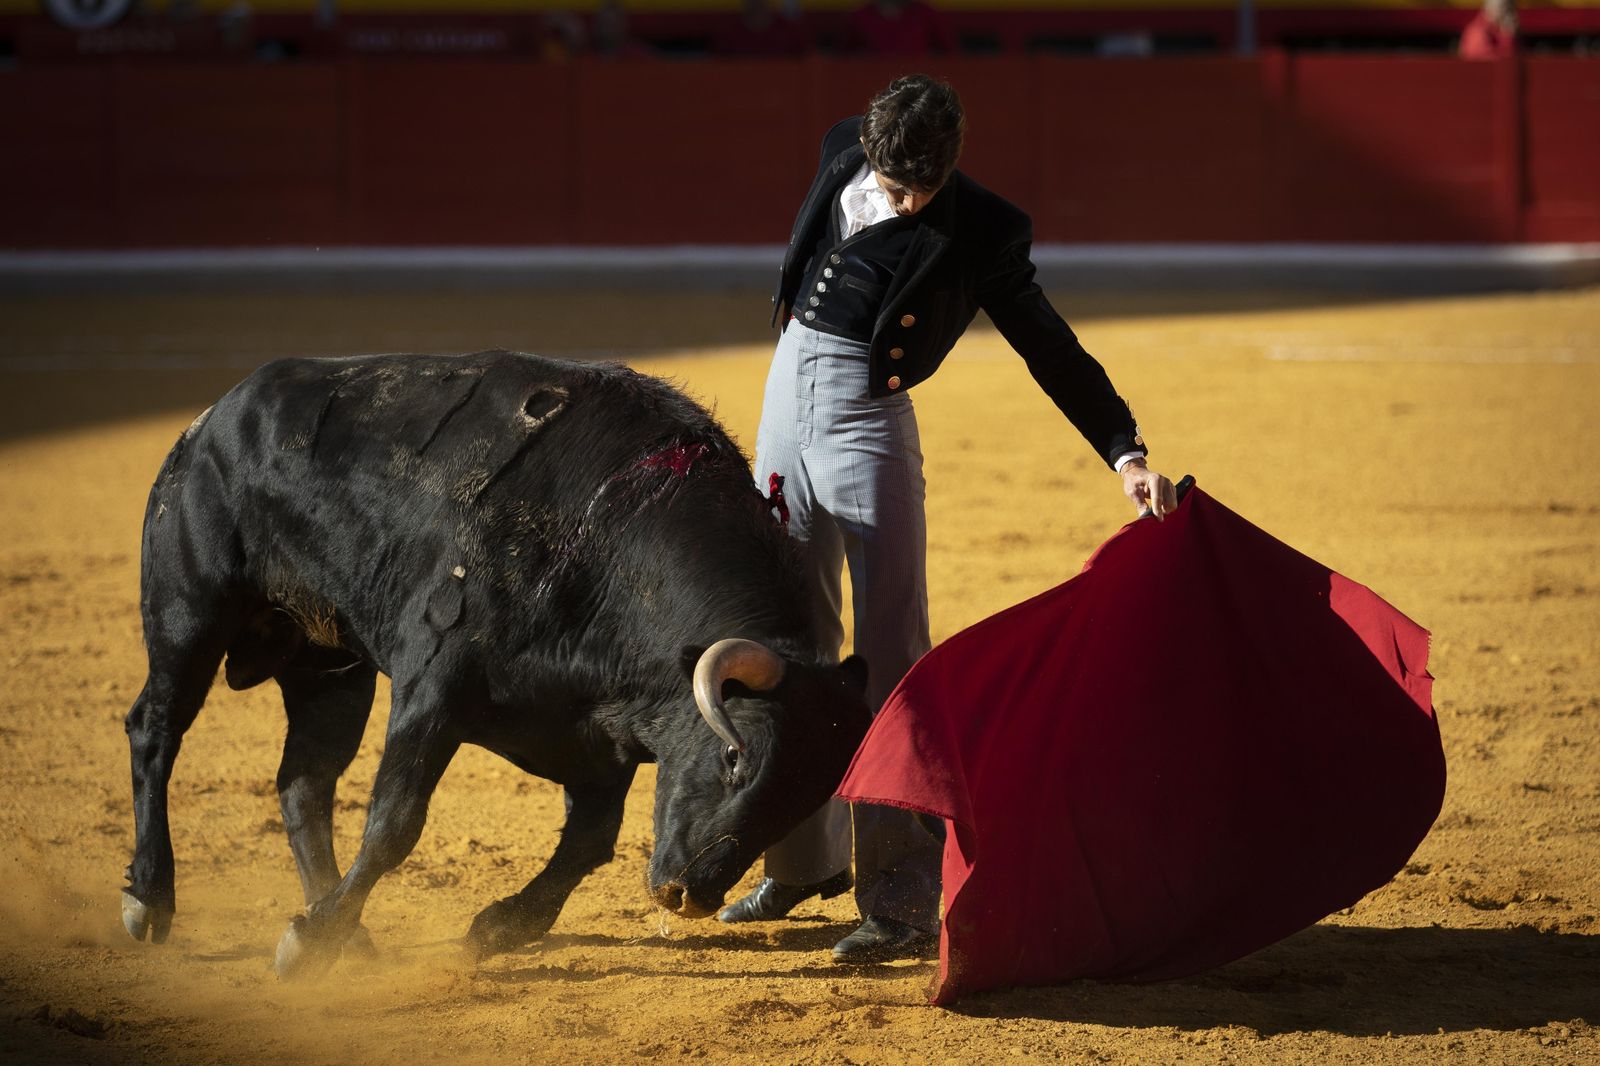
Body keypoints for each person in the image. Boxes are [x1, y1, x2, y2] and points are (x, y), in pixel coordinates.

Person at [717, 74, 1177, 964]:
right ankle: (799, 862)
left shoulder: (985, 229)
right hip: (781, 404)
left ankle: (896, 897)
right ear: (872, 150)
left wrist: (1124, 452)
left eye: (924, 189)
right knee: (790, 639)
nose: (908, 201)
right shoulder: (840, 143)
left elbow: (1050, 344)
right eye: (896, 187)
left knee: (893, 653)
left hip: (867, 429)